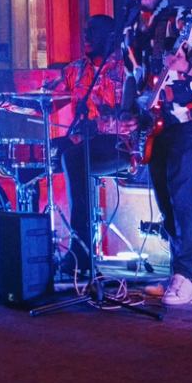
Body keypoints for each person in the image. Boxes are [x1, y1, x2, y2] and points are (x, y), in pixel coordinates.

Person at [121, 0, 192, 306]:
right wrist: (127, 112)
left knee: (180, 188)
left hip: (189, 118)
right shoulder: (131, 30)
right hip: (156, 122)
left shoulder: (180, 18)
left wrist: (185, 64)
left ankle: (187, 274)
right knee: (163, 194)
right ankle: (187, 271)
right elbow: (132, 77)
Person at [45, 14, 134, 269]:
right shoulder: (76, 70)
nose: (86, 36)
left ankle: (81, 251)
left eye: (93, 31)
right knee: (45, 152)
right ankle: (36, 246)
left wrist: (99, 125)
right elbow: (49, 96)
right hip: (84, 142)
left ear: (110, 37)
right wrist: (9, 102)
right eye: (86, 30)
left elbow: (133, 116)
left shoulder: (125, 68)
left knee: (74, 158)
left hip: (120, 145)